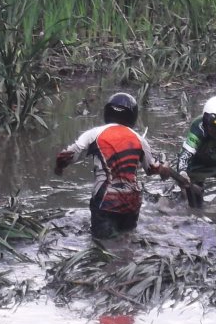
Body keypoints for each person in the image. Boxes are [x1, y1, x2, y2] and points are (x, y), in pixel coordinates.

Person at [53, 92, 172, 237]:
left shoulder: (94, 134)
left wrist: (59, 167)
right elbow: (152, 168)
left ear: (107, 111)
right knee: (128, 240)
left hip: (106, 201)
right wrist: (164, 169)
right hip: (132, 202)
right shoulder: (140, 140)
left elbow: (67, 155)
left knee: (102, 244)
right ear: (133, 115)